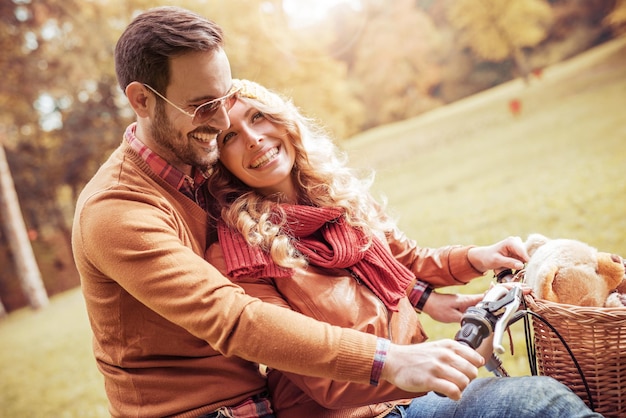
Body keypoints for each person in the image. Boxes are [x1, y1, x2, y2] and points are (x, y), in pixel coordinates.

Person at [73, 6, 493, 417]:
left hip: (265, 401)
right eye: (203, 106)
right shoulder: (116, 210)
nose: (221, 122)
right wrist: (389, 360)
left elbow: (346, 253)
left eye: (224, 98)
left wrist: (428, 293)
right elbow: (234, 317)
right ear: (142, 100)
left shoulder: (204, 172)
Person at [205, 78, 603, 418]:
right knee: (537, 402)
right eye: (230, 136)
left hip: (415, 389)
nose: (254, 140)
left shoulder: (338, 198)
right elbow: (320, 377)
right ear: (220, 160)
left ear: (284, 121)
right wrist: (418, 365)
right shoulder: (238, 254)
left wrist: (477, 257)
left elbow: (408, 259)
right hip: (364, 411)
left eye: (258, 117)